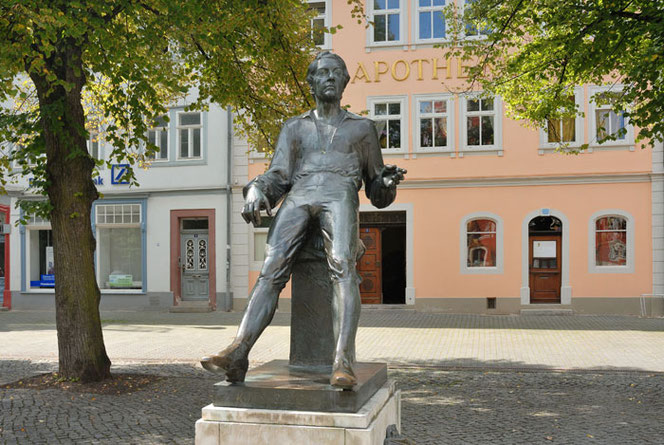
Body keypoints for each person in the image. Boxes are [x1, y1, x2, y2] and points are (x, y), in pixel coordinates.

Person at [201, 51, 406, 389]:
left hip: (340, 193)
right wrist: (255, 190)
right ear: (311, 83)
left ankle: (343, 362)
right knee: (271, 268)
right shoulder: (295, 128)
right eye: (322, 73)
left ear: (344, 82)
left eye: (337, 73)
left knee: (342, 264)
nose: (329, 77)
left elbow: (376, 191)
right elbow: (278, 176)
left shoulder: (362, 129)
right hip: (299, 194)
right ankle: (239, 351)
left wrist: (385, 183)